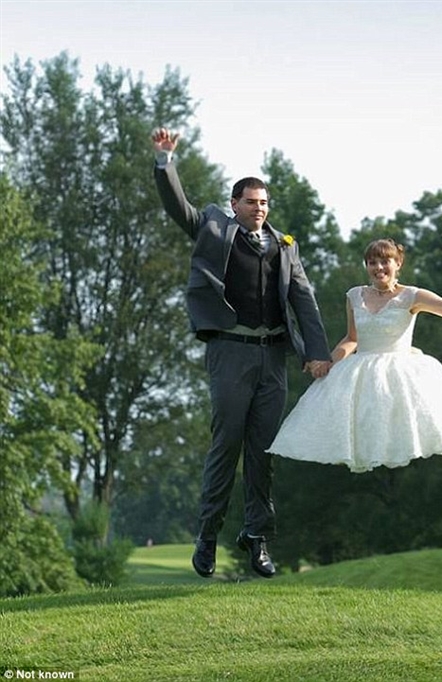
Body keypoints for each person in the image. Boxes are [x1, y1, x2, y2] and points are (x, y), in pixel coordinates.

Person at [152, 127, 331, 578]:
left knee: (264, 450)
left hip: (273, 358)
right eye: (251, 202)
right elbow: (178, 207)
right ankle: (208, 535)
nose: (259, 208)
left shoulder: (286, 247)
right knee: (226, 445)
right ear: (235, 205)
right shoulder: (214, 228)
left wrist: (317, 353)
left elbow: (305, 302)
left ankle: (257, 537)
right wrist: (165, 162)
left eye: (264, 202)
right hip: (230, 354)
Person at [267, 238, 442, 472]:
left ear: (398, 264)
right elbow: (352, 338)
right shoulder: (355, 296)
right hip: (361, 371)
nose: (379, 268)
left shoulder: (412, 296)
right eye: (372, 262)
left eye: (385, 261)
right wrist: (329, 362)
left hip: (399, 371)